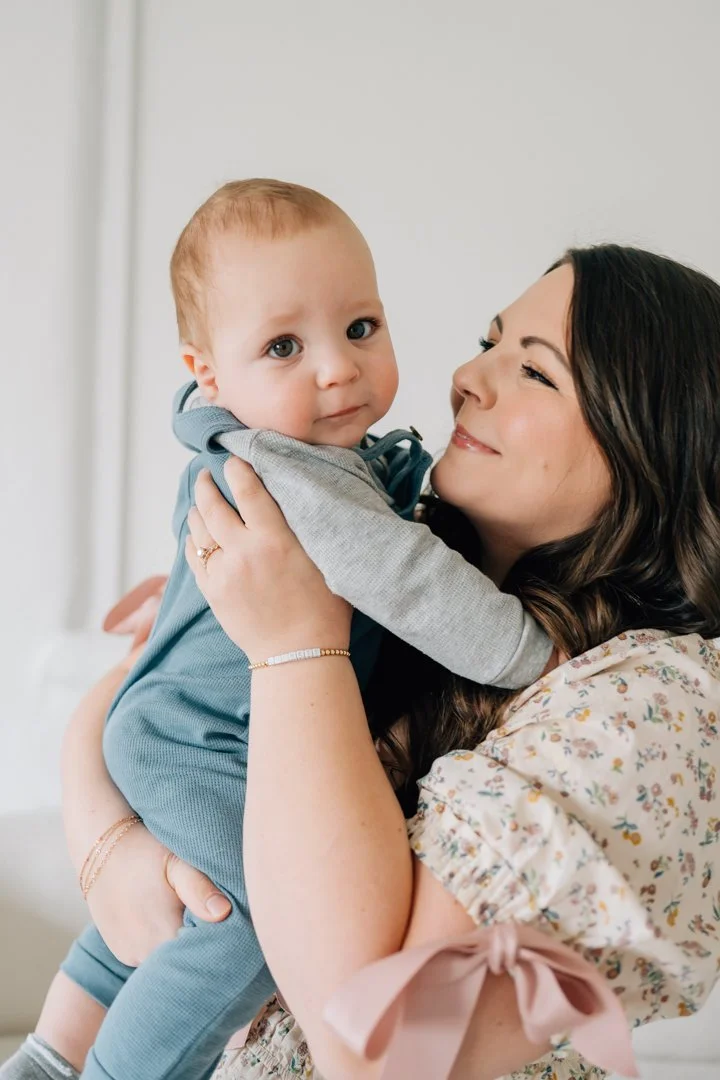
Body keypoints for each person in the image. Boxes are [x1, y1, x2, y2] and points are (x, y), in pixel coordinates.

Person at [1, 180, 552, 1080]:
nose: (336, 368)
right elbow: (408, 582)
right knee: (246, 916)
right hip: (207, 742)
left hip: (179, 724)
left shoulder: (288, 454)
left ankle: (50, 1052)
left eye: (361, 328)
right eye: (285, 346)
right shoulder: (299, 475)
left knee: (180, 900)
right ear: (208, 374)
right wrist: (530, 652)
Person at [184, 244, 720, 1078]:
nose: (469, 376)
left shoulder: (656, 707)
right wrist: (114, 850)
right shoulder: (393, 566)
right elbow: (132, 704)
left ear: (656, 441)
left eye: (537, 373)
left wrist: (295, 649)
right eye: (489, 340)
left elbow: (381, 1054)